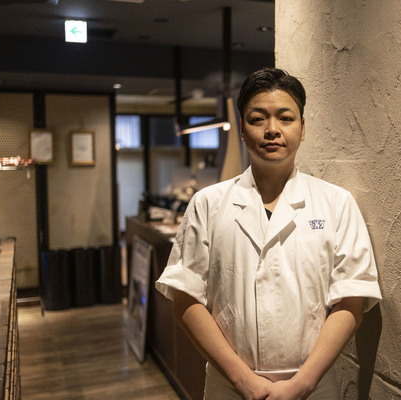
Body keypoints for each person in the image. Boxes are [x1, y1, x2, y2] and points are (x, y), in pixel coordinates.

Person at [155, 67, 382, 400]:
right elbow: (185, 299)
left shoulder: (336, 203)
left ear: (302, 128)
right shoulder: (208, 203)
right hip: (229, 386)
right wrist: (244, 381)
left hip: (314, 387)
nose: (272, 129)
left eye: (285, 118)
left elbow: (352, 299)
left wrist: (303, 383)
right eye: (257, 119)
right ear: (242, 130)